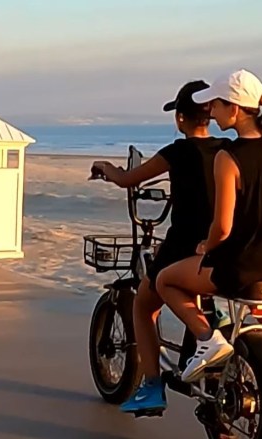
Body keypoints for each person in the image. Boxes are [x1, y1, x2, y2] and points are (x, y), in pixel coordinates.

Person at [156, 69, 262, 384]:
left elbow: (223, 227)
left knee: (165, 280)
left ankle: (207, 340)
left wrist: (207, 245)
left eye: (216, 104)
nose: (211, 112)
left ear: (235, 109)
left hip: (243, 266)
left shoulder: (228, 157)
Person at [91, 80, 229, 413]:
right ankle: (214, 325)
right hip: (223, 245)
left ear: (180, 118)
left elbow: (128, 179)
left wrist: (106, 169)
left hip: (185, 244)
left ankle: (152, 385)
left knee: (143, 305)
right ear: (210, 114)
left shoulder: (177, 152)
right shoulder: (227, 148)